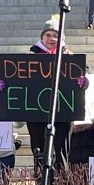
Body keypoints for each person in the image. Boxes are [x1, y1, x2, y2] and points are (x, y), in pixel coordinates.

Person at [28, 18, 73, 171]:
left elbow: (84, 77)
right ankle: (41, 183)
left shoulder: (70, 57)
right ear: (42, 37)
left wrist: (83, 80)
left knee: (61, 153)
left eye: (55, 35)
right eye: (48, 35)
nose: (51, 39)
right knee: (39, 152)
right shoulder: (29, 57)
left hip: (63, 111)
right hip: (36, 112)